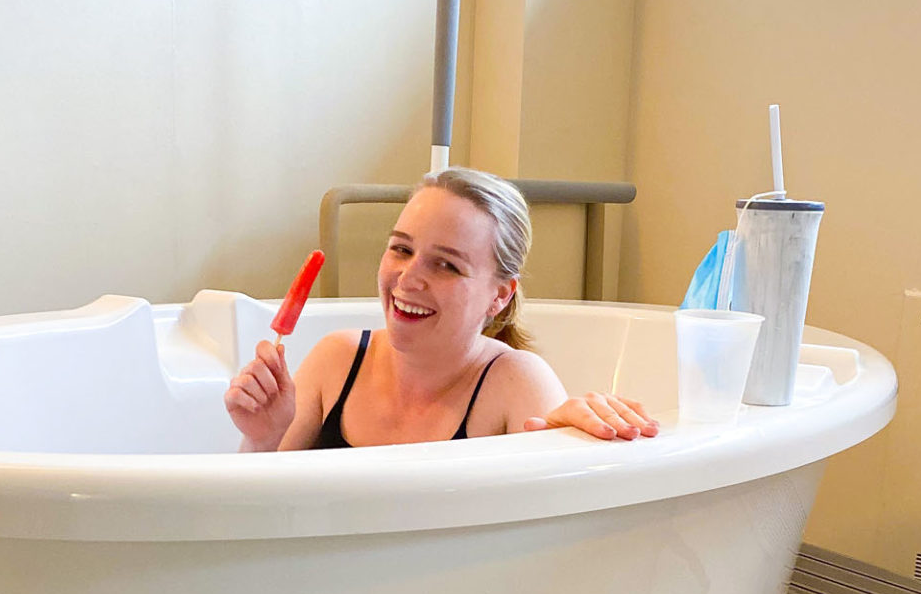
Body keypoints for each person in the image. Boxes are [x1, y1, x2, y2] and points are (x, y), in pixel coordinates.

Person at [224, 168, 658, 452]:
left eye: (447, 264)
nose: (409, 278)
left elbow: (548, 535)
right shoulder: (335, 360)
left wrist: (570, 437)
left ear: (500, 295)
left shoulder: (515, 383)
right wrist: (262, 437)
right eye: (401, 248)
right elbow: (249, 525)